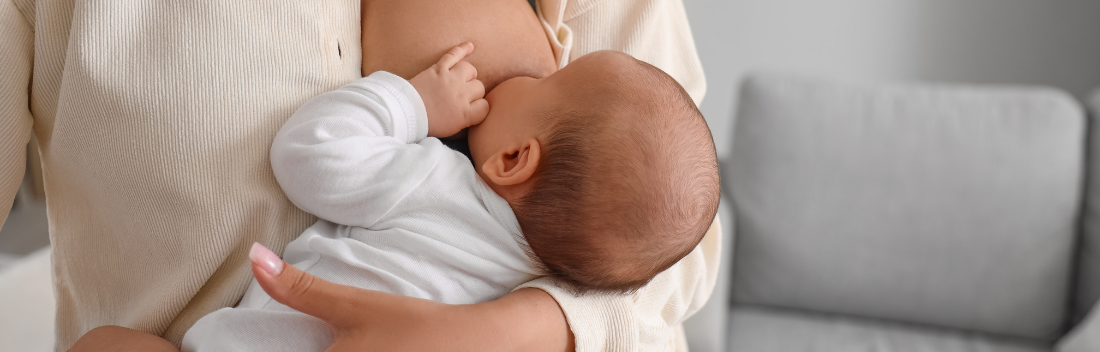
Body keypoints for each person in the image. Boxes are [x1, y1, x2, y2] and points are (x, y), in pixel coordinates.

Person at [0, 0, 720, 350]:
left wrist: (515, 330)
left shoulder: (434, 185)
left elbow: (677, 263)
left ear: (512, 160)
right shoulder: (493, 227)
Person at [179, 43, 719, 350]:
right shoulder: (535, 291)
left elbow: (306, 153)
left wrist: (412, 103)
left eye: (543, 83)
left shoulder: (436, 186)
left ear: (513, 160)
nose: (535, 69)